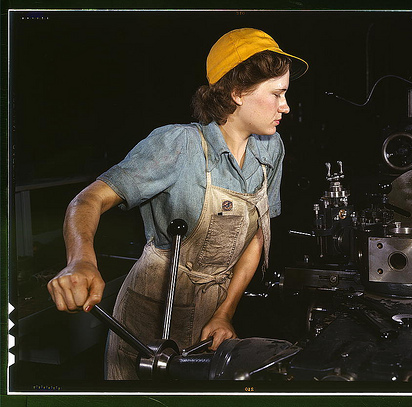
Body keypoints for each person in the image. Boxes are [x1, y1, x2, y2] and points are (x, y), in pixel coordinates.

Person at [47, 27, 308, 380]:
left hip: (213, 309)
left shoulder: (269, 148)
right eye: (277, 94)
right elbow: (88, 199)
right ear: (237, 93)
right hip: (151, 310)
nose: (286, 106)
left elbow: (258, 234)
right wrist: (80, 262)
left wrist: (225, 312)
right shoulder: (178, 145)